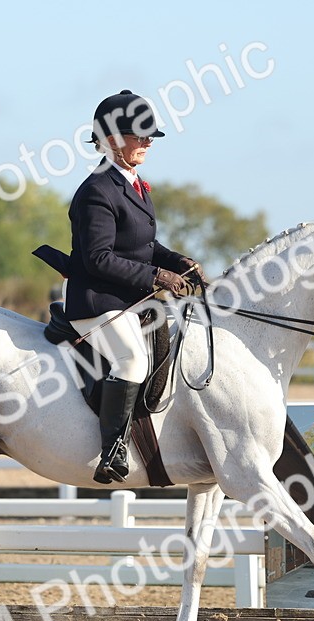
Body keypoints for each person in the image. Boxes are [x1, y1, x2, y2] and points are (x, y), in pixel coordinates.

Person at [64, 89, 203, 484]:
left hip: (126, 299)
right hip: (97, 301)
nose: (146, 143)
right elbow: (99, 258)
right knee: (132, 361)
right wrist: (158, 277)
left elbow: (143, 247)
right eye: (138, 136)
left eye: (148, 137)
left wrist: (178, 263)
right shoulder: (96, 190)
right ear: (110, 140)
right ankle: (112, 453)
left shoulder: (133, 184)